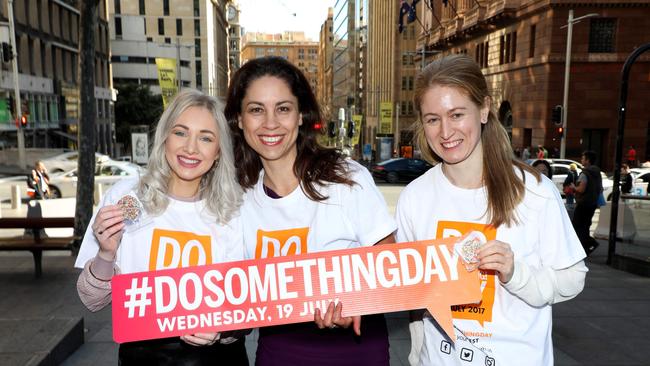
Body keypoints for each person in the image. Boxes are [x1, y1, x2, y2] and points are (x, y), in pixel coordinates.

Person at [396, 54, 587, 366]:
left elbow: (572, 278)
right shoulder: (415, 197)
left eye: (457, 114)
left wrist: (515, 273)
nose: (445, 132)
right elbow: (406, 289)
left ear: (483, 110)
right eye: (432, 119)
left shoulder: (534, 191)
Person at [223, 56, 396, 365]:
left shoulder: (345, 177)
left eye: (283, 108)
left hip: (355, 351)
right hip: (280, 351)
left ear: (301, 115)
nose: (271, 123)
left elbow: (390, 263)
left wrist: (354, 302)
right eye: (256, 110)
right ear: (238, 118)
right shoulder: (237, 195)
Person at [74, 89, 248, 365]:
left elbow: (246, 308)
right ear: (164, 137)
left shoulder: (236, 208)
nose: (191, 148)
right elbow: (91, 300)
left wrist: (222, 328)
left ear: (218, 152)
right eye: (180, 132)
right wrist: (106, 254)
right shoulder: (127, 196)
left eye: (205, 138)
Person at [572, 150, 603, 256]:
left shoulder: (585, 173)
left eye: (583, 158)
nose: (581, 160)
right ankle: (586, 247)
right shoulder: (597, 173)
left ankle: (590, 244)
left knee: (577, 226)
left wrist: (573, 187)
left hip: (583, 203)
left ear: (588, 160)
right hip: (592, 204)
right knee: (585, 226)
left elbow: (581, 189)